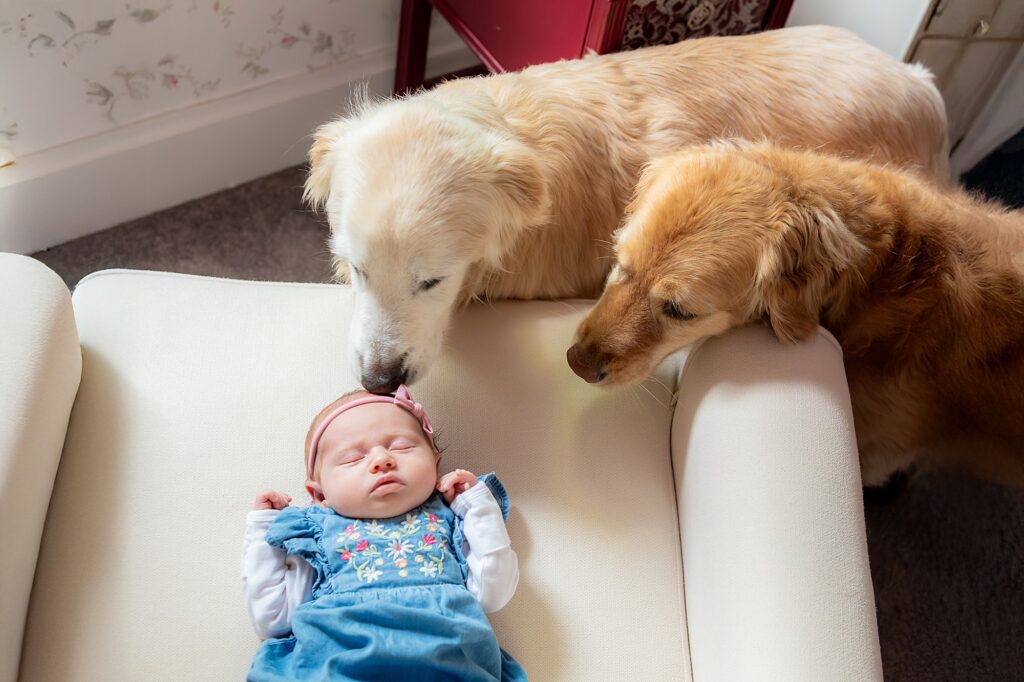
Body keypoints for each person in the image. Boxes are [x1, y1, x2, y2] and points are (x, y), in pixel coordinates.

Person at [242, 385, 525, 681]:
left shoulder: (453, 519)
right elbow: (272, 620)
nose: (382, 459)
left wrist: (477, 508)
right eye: (353, 458)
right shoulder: (315, 534)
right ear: (319, 495)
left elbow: (494, 594)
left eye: (401, 446)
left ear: (435, 462)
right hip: (338, 665)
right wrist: (263, 532)